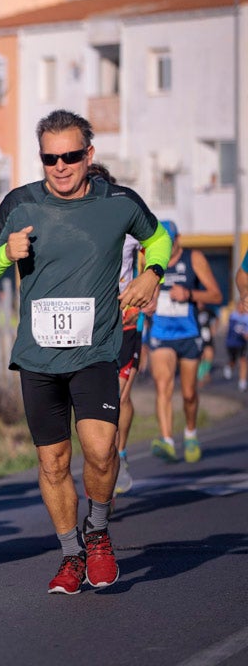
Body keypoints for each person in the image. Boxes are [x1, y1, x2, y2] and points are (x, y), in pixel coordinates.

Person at [0, 109, 169, 595]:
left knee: (100, 453)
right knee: (54, 462)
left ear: (89, 155)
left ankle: (97, 533)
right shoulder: (20, 203)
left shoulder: (118, 201)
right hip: (38, 357)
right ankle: (70, 555)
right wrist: (4, 255)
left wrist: (152, 272)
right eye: (50, 158)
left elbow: (158, 237)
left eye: (71, 156)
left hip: (96, 349)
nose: (60, 166)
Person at [87, 163, 155, 496]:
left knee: (116, 397)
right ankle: (106, 461)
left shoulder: (128, 223)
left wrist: (152, 286)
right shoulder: (80, 225)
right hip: (91, 325)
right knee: (101, 400)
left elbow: (152, 252)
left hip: (127, 319)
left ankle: (118, 455)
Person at [147, 220, 222, 463]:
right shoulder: (150, 259)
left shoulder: (194, 258)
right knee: (163, 385)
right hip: (161, 333)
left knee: (189, 393)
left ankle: (190, 432)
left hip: (189, 333)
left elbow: (216, 294)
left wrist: (188, 294)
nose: (166, 247)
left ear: (178, 239)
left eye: (170, 242)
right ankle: (167, 440)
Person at [223, 306, 248, 391]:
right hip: (232, 343)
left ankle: (242, 382)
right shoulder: (233, 316)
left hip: (242, 344)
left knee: (243, 361)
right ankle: (229, 366)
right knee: (232, 360)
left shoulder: (246, 317)